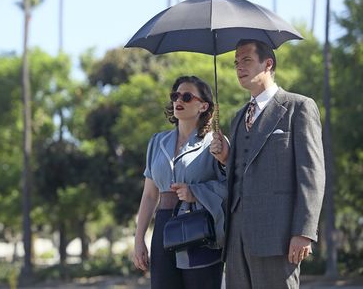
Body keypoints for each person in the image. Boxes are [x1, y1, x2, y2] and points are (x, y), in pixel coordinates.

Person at [210, 39, 325, 288]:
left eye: (247, 60)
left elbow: (312, 174)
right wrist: (226, 158)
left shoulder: (299, 107)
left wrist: (304, 231)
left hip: (278, 236)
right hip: (236, 237)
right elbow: (242, 172)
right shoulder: (238, 117)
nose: (239, 67)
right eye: (236, 63)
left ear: (268, 64)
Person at [133, 75, 227, 289]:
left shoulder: (216, 143)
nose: (179, 101)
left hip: (200, 227)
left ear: (203, 106)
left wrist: (196, 192)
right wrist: (139, 240)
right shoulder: (157, 141)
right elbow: (149, 196)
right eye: (176, 95)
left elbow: (231, 188)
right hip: (164, 225)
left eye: (186, 96)